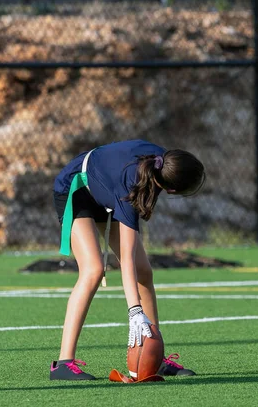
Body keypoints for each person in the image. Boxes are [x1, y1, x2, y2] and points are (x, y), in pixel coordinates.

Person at [50, 139, 205, 380]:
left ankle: (156, 355)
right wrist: (135, 311)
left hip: (105, 189)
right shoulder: (132, 185)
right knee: (93, 270)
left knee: (145, 272)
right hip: (76, 188)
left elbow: (134, 264)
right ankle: (63, 364)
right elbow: (126, 261)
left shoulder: (163, 164)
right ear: (171, 190)